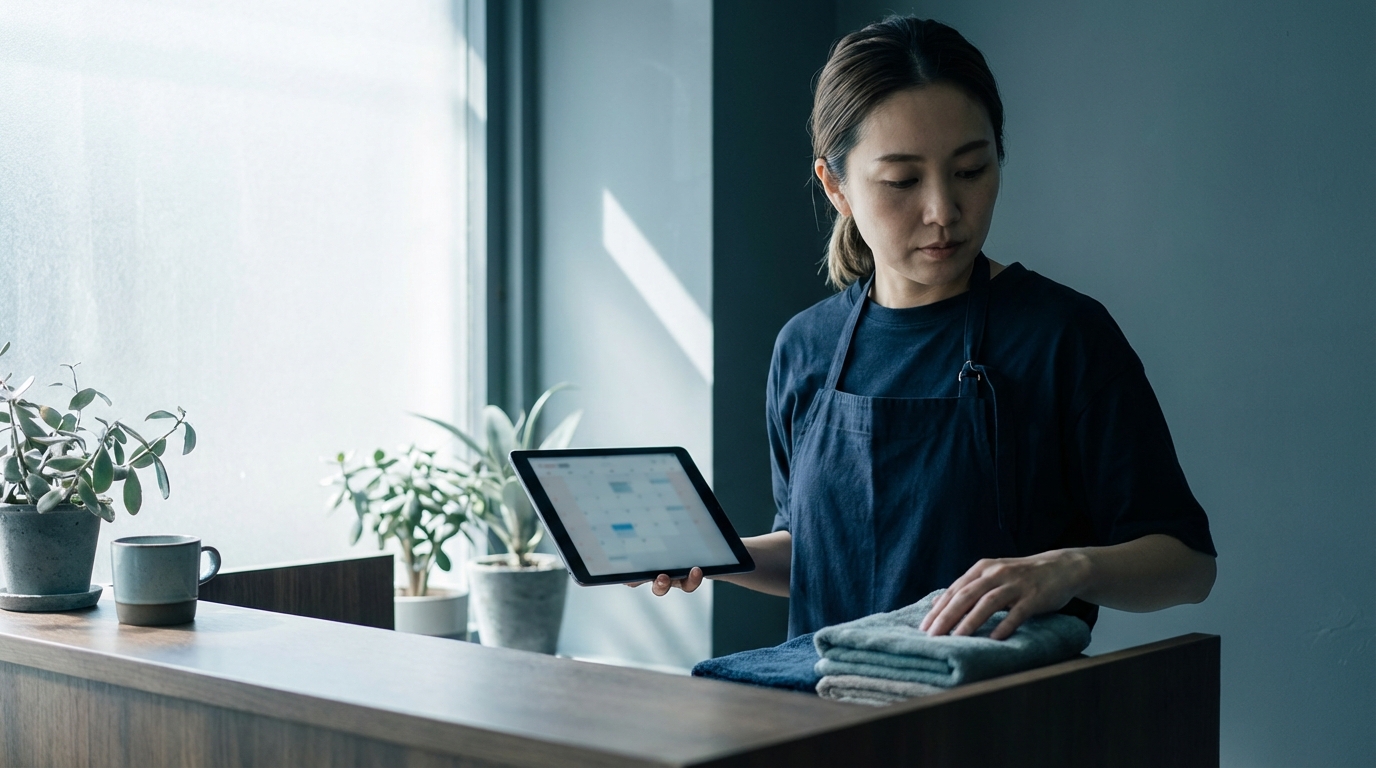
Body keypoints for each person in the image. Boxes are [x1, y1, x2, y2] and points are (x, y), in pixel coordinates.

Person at [634, 16, 1216, 641]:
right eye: (902, 181)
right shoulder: (805, 348)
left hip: (1003, 726)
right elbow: (820, 554)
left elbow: (1187, 566)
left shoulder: (1065, 338)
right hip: (828, 720)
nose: (943, 211)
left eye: (971, 170)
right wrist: (719, 553)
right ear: (837, 186)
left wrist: (1066, 569)